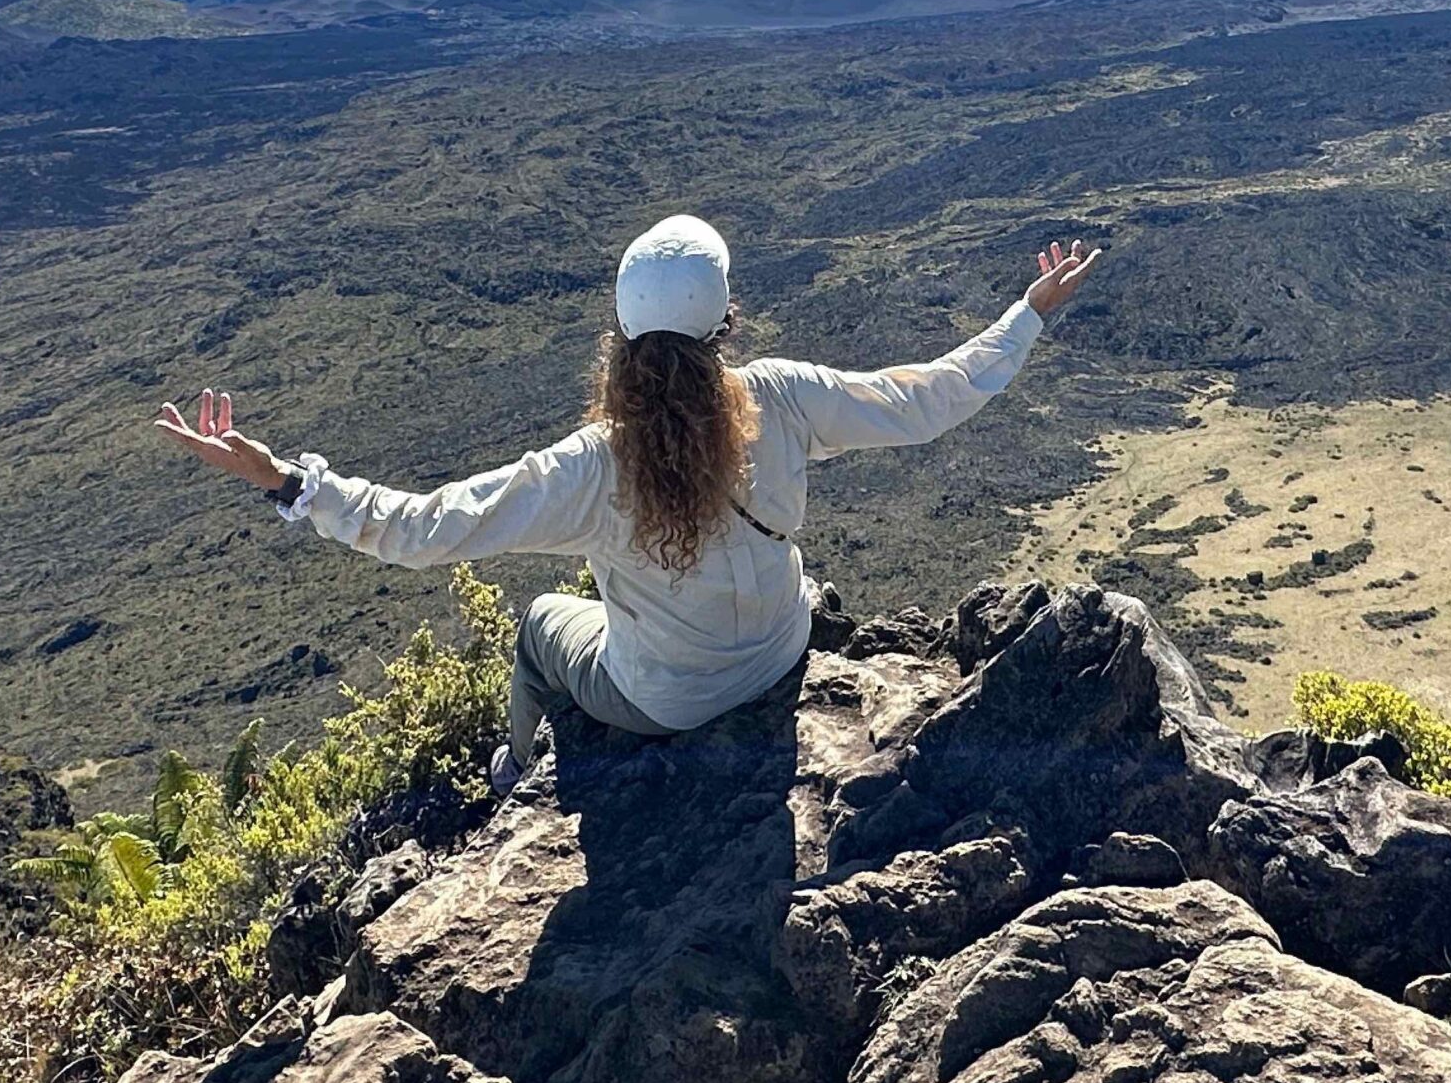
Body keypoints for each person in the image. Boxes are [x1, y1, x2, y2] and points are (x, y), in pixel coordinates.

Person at [156, 215, 1102, 791]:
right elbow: (927, 398)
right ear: (727, 321)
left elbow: (423, 529)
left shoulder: (591, 468)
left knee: (536, 625)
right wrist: (1027, 314)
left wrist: (289, 483)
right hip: (784, 649)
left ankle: (516, 771)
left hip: (667, 703)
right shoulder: (780, 396)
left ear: (620, 336)